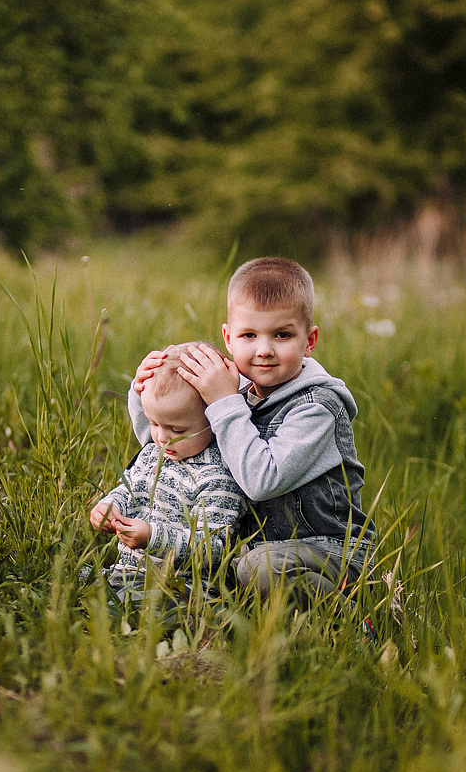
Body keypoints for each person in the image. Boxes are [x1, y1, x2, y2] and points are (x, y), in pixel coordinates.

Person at [130, 257, 375, 607]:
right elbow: (170, 447)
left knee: (257, 570)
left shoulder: (317, 407)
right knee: (199, 567)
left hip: (329, 551)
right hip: (252, 550)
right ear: (229, 338)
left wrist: (224, 403)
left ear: (309, 341)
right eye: (249, 335)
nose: (264, 350)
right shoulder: (231, 391)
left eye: (283, 335)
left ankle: (353, 618)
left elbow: (262, 482)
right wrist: (143, 390)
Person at [89, 344, 245, 609]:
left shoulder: (218, 477)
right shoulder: (154, 453)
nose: (161, 437)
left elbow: (213, 548)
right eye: (153, 423)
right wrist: (109, 506)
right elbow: (131, 488)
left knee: (116, 607)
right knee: (77, 595)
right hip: (130, 572)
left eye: (176, 428)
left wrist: (153, 537)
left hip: (183, 585)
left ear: (213, 420)